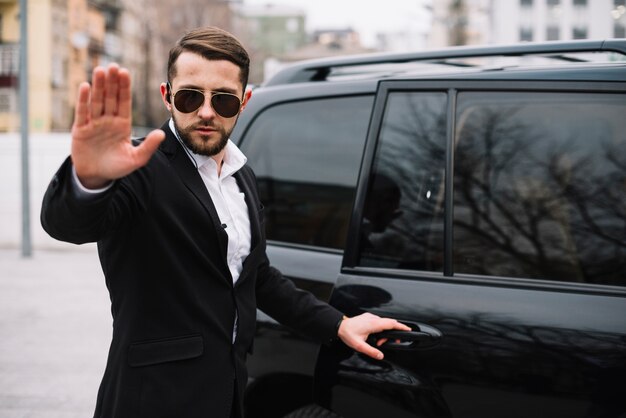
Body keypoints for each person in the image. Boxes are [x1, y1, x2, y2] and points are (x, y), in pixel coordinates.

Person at [41, 26, 409, 418]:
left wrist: (338, 325)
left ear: (244, 101)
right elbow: (70, 225)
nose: (205, 111)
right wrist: (91, 179)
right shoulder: (139, 167)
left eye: (224, 101)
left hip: (227, 395)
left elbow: (258, 278)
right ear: (167, 97)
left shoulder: (241, 176)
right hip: (151, 401)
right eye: (189, 96)